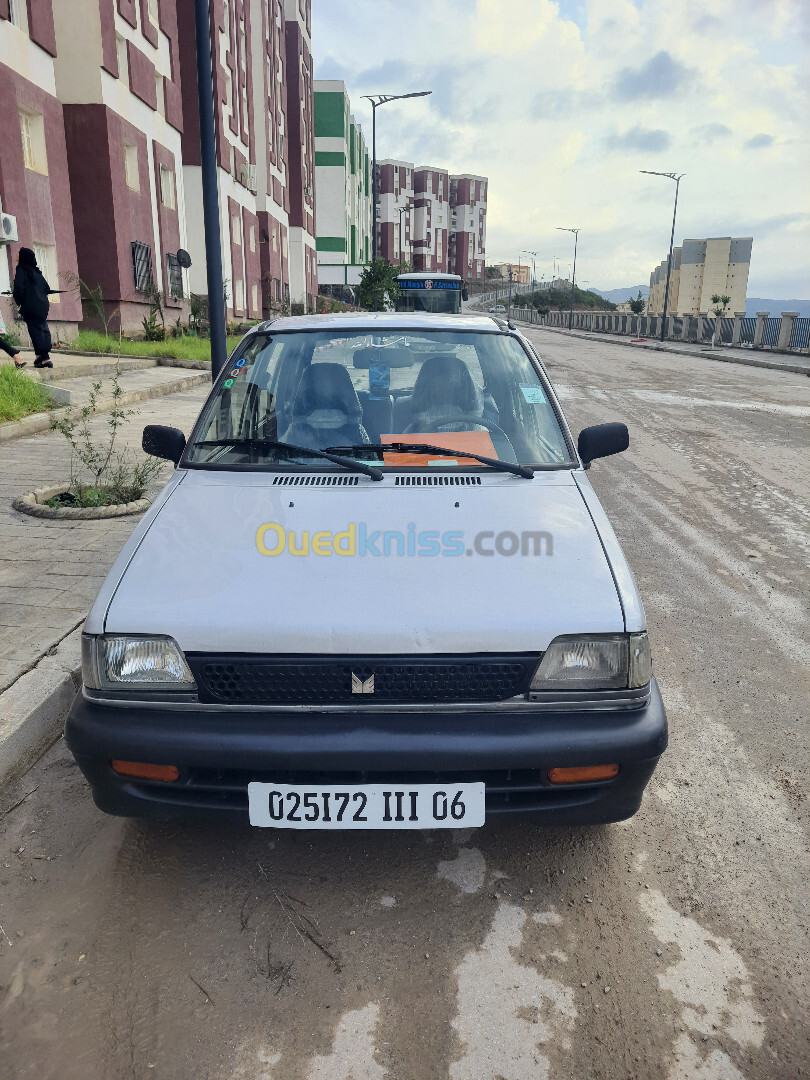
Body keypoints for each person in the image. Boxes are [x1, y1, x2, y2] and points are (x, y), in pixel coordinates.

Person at [12, 247, 56, 368]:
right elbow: (47, 288)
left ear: (23, 257)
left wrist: (20, 301)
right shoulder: (37, 271)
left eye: (18, 254)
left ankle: (44, 358)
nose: (17, 255)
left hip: (31, 305)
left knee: (35, 330)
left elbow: (19, 288)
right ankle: (41, 358)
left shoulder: (21, 269)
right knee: (42, 328)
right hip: (43, 305)